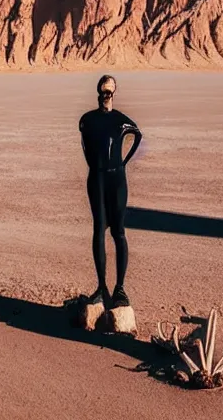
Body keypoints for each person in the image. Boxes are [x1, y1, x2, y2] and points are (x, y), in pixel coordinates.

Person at [79, 75, 142, 309]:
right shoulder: (86, 120)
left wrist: (123, 163)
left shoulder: (120, 121)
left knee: (118, 232)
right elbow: (85, 145)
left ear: (114, 93)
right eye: (104, 90)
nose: (107, 94)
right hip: (97, 179)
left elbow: (138, 135)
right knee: (99, 230)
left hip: (116, 179)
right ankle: (102, 287)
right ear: (99, 92)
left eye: (110, 90)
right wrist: (96, 165)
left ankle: (120, 289)